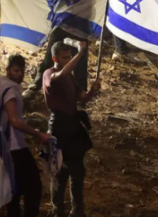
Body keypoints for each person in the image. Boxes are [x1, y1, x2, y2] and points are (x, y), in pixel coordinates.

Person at [23, 0, 91, 100]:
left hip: (79, 27)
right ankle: (34, 87)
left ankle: (80, 97)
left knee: (80, 63)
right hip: (60, 25)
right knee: (49, 58)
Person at [43, 41, 101, 217]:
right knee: (60, 171)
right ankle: (57, 210)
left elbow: (82, 97)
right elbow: (60, 75)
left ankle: (77, 210)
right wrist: (80, 54)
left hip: (72, 125)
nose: (68, 60)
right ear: (55, 59)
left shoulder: (70, 76)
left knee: (77, 170)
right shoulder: (49, 74)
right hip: (59, 126)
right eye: (64, 58)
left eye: (69, 56)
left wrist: (93, 91)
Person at [0, 55, 50, 217]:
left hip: (2, 141)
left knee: (15, 185)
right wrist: (38, 134)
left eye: (22, 71)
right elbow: (15, 121)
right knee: (33, 186)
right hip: (14, 144)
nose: (20, 74)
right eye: (16, 70)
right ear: (8, 70)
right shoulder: (10, 91)